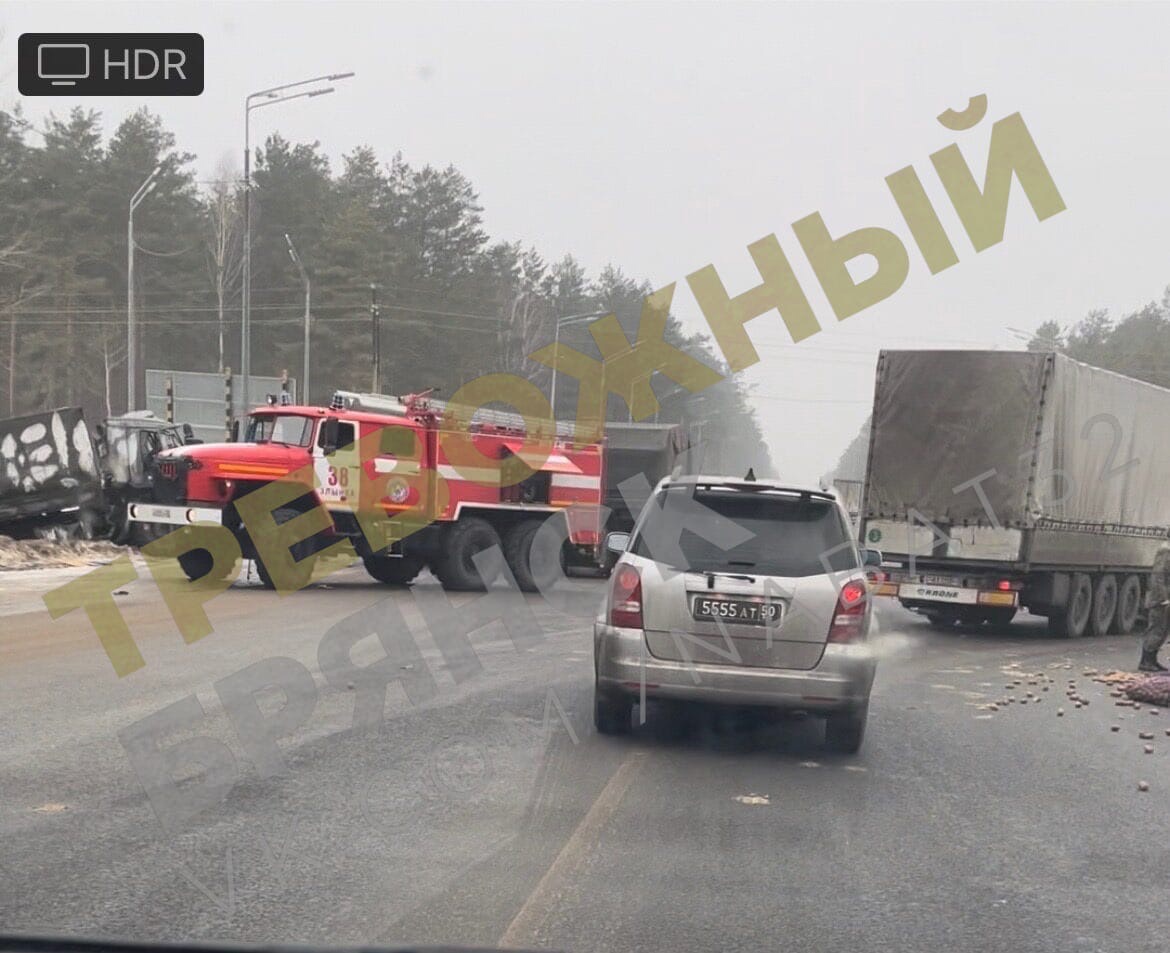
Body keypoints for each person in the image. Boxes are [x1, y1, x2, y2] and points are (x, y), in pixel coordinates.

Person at [1138, 534, 1170, 672]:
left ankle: (1152, 660)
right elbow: (1158, 575)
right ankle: (1146, 661)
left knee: (1162, 630)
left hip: (1165, 596)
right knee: (1157, 628)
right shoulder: (1166, 550)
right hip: (1160, 599)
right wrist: (1162, 598)